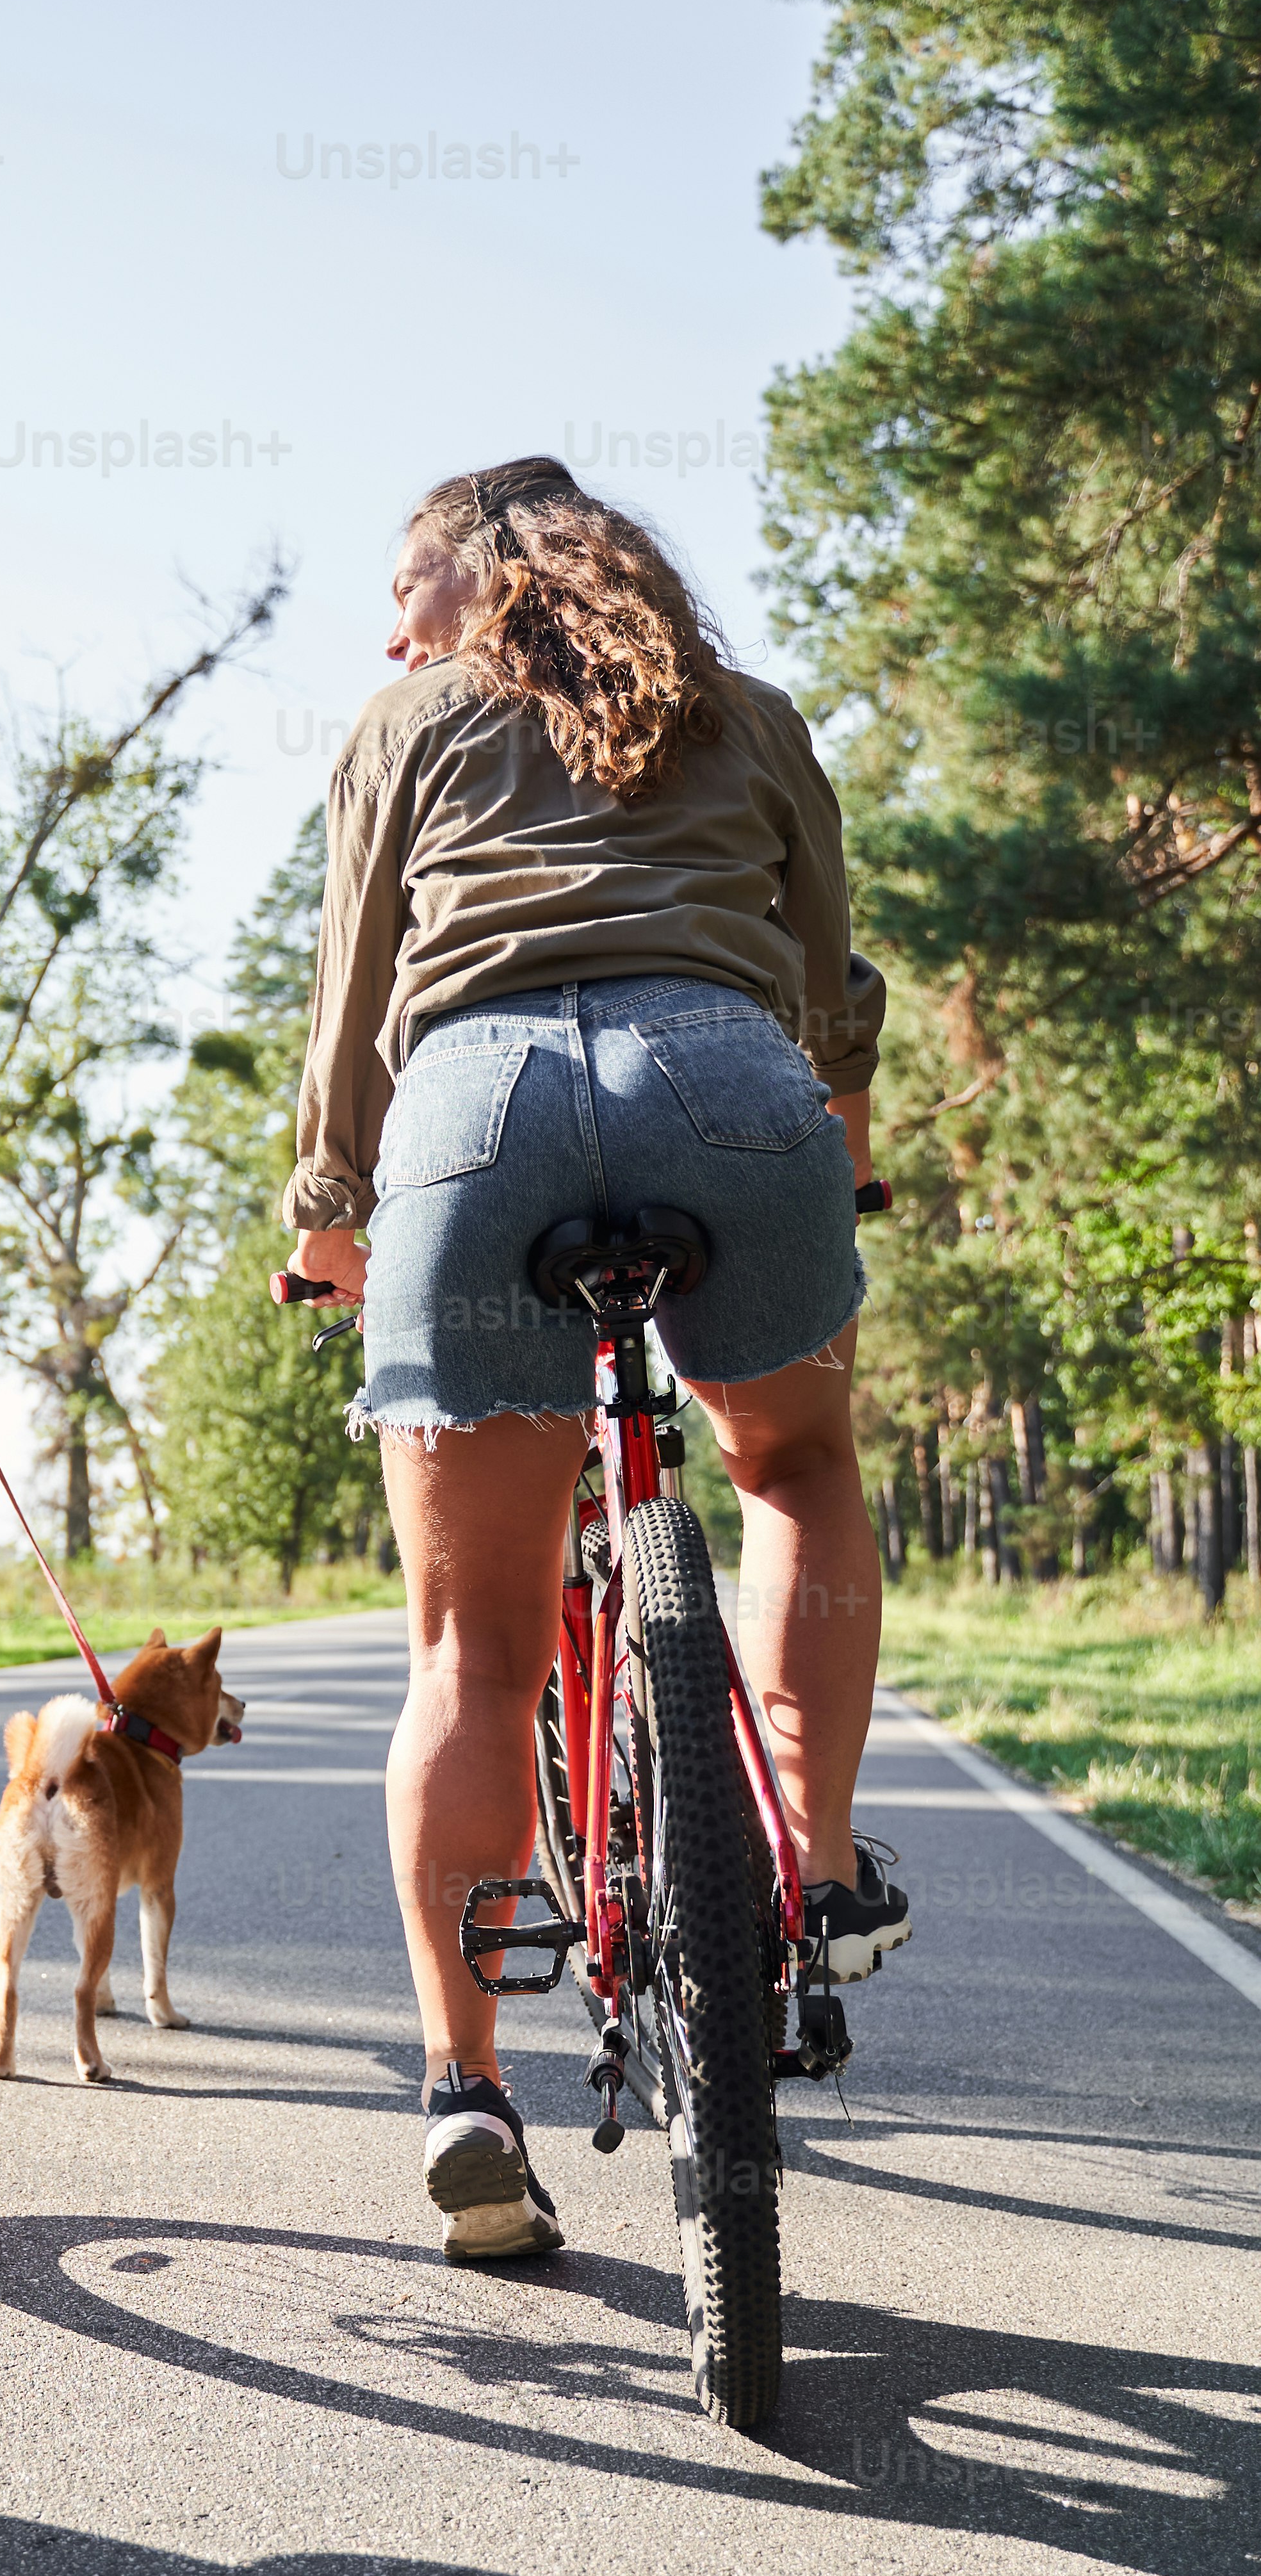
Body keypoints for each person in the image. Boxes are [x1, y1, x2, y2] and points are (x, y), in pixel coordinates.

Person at [282, 455, 909, 2268]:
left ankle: (466, 2086)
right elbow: (830, 975)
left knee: (468, 1648)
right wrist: (835, 1144)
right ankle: (814, 1863)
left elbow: (349, 998)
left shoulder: (406, 721)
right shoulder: (749, 709)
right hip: (730, 1080)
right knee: (791, 1466)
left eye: (403, 581)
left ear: (460, 588)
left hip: (472, 1114)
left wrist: (334, 1210)